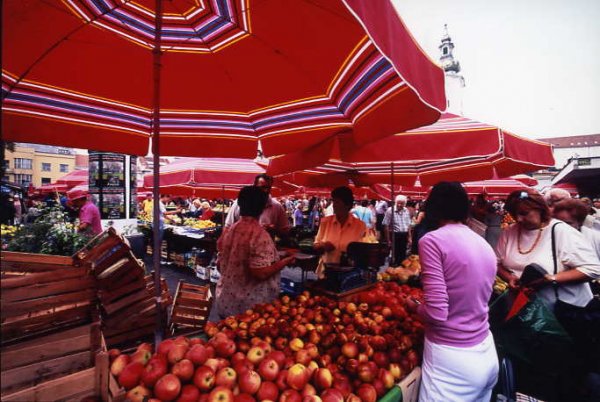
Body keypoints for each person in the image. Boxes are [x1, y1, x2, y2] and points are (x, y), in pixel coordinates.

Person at [405, 182, 498, 401]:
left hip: (451, 360)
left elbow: (437, 313)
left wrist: (415, 307)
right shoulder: (482, 242)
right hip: (485, 349)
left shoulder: (432, 241)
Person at [496, 189, 600, 308]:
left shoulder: (561, 230)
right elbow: (496, 263)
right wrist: (509, 278)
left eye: (524, 213)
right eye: (514, 214)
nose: (518, 219)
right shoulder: (510, 231)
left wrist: (552, 279)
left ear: (540, 209)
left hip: (563, 310)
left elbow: (593, 269)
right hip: (524, 309)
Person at [215, 186, 295, 318]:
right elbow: (260, 273)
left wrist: (279, 256)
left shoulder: (230, 231)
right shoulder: (260, 235)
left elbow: (220, 264)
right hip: (249, 309)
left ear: (239, 204)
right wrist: (286, 261)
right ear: (262, 208)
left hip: (226, 301)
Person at [313, 186, 367, 277]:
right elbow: (315, 245)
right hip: (326, 272)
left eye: (337, 202)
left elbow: (364, 251)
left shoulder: (360, 225)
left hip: (349, 275)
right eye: (333, 201)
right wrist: (322, 246)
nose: (333, 205)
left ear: (348, 205)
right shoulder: (325, 222)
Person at [225, 174, 290, 238]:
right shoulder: (239, 204)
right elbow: (227, 228)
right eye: (262, 187)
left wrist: (273, 230)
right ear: (254, 186)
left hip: (266, 246)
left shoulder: (277, 206)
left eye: (268, 187)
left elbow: (285, 232)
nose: (266, 190)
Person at [383, 194, 412, 265]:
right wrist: (388, 240)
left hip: (404, 234)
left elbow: (408, 224)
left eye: (401, 203)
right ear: (395, 202)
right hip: (394, 235)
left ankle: (401, 269)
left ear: (405, 204)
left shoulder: (406, 210)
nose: (399, 205)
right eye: (398, 203)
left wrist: (409, 237)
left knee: (403, 254)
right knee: (394, 255)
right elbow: (385, 225)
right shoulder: (390, 210)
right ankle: (393, 269)